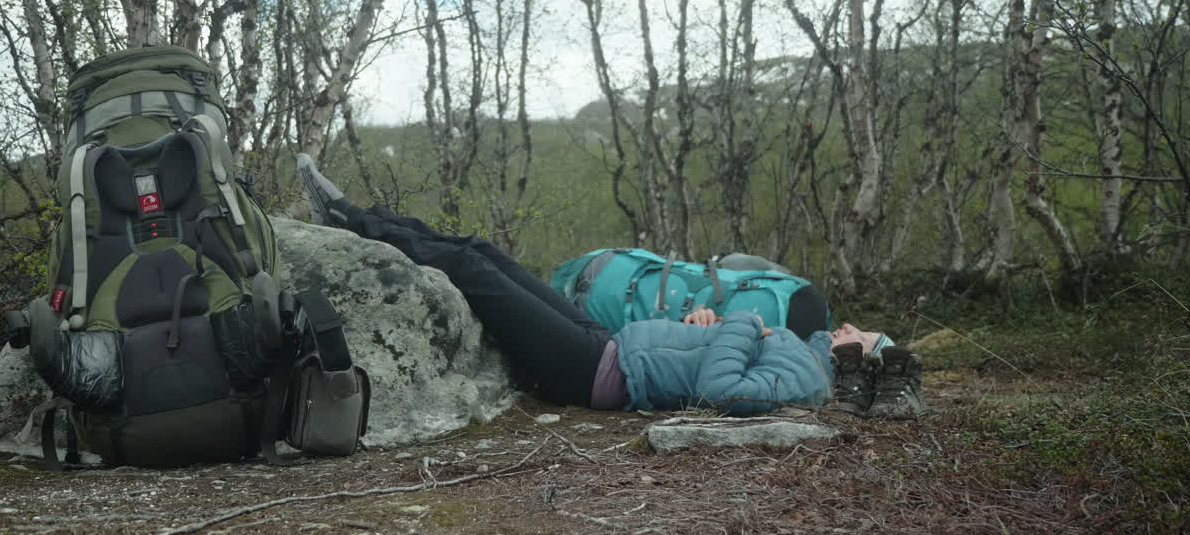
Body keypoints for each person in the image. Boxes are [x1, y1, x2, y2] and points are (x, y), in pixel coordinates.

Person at [296, 155, 922, 419]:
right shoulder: (802, 352)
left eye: (859, 335)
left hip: (595, 373)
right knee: (485, 252)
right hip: (612, 343)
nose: (846, 326)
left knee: (475, 273)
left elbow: (720, 389)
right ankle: (360, 216)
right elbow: (719, 361)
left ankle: (354, 224)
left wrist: (738, 327)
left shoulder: (809, 378)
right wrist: (704, 327)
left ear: (861, 357)